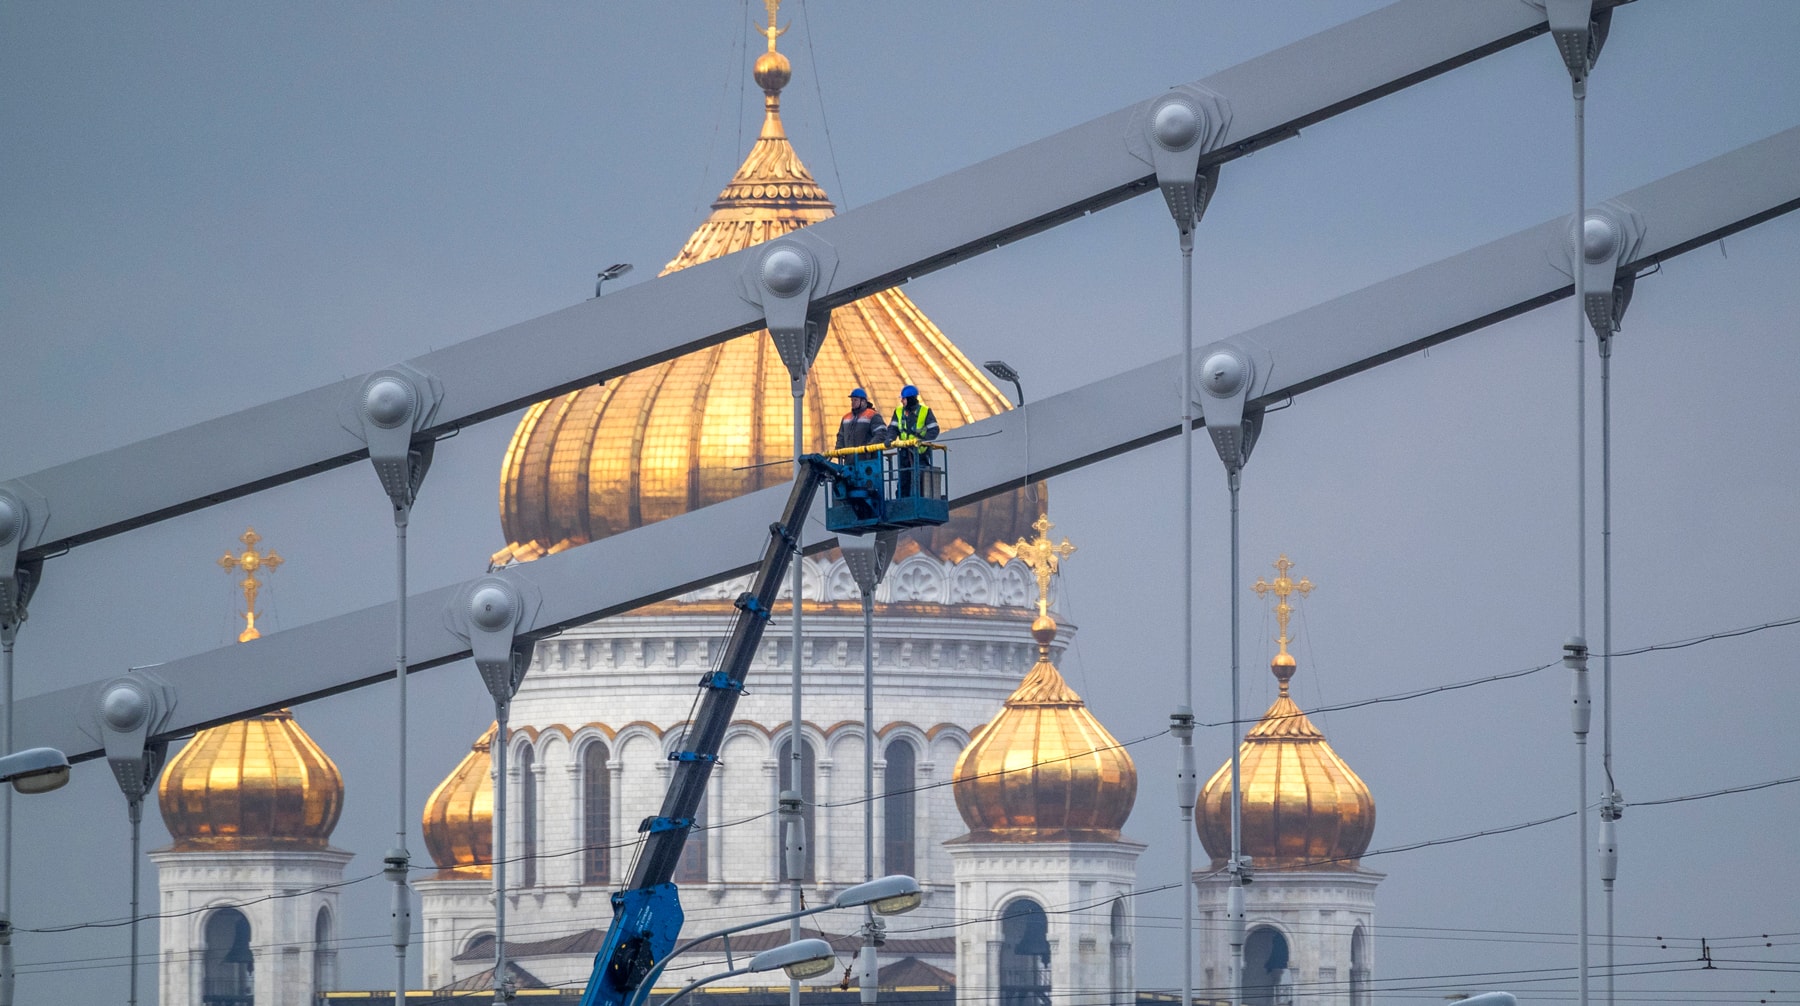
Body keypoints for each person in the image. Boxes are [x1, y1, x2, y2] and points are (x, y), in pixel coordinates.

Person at [890, 384, 939, 497]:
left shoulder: (925, 411)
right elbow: (892, 428)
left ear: (911, 399)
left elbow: (934, 430)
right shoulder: (898, 412)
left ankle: (919, 500)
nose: (902, 401)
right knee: (903, 481)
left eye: (904, 398)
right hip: (904, 454)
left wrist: (921, 441)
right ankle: (902, 503)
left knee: (920, 482)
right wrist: (889, 438)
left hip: (920, 454)